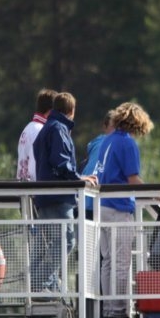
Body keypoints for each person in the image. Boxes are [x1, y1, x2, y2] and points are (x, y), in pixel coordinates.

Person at [31, 92, 97, 294]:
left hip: (44, 197)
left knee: (51, 243)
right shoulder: (59, 129)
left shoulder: (46, 128)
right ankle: (40, 283)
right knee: (66, 241)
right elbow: (61, 162)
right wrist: (79, 178)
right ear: (71, 110)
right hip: (58, 197)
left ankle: (41, 284)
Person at [95, 102, 154, 318]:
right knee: (121, 262)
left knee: (108, 262)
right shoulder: (127, 143)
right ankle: (118, 312)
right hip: (119, 208)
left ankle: (107, 310)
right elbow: (133, 179)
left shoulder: (107, 140)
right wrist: (157, 196)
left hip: (103, 206)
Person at [81, 109, 115, 218]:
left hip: (85, 199)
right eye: (113, 126)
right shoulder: (107, 144)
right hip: (96, 201)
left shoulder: (95, 143)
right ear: (105, 127)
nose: (116, 130)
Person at [17, 88, 57, 181]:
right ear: (51, 110)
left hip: (24, 185)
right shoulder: (42, 130)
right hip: (36, 186)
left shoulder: (28, 128)